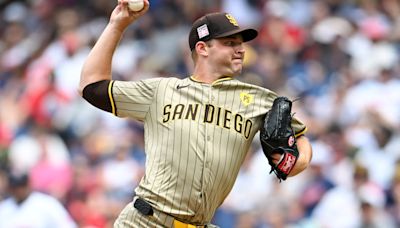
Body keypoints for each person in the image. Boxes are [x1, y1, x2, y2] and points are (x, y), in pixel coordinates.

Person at [79, 0, 313, 227]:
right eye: (230, 43)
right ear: (202, 48)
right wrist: (116, 26)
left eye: (240, 43)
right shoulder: (162, 90)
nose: (240, 49)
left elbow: (300, 139)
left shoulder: (259, 99)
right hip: (146, 221)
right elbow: (91, 86)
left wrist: (297, 162)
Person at [0, 172, 77, 228]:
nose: (18, 190)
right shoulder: (4, 208)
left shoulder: (47, 204)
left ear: (28, 185)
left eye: (21, 186)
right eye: (15, 187)